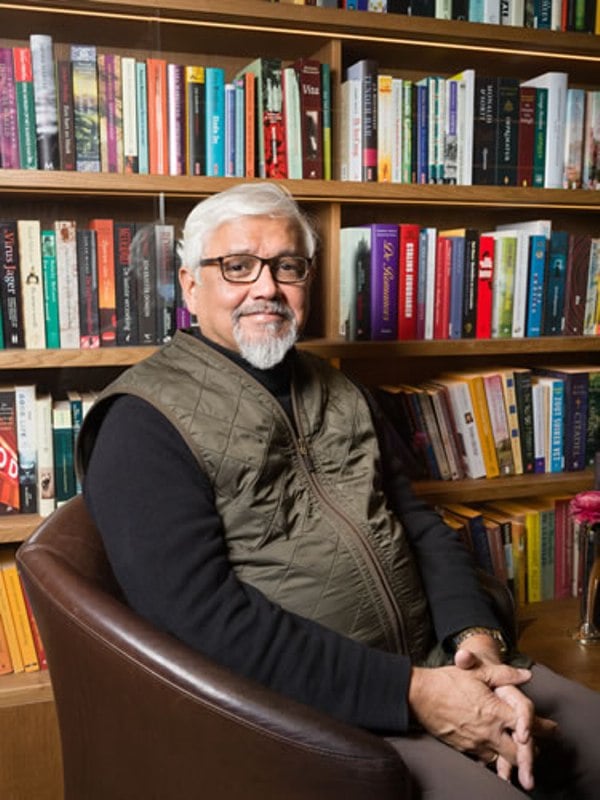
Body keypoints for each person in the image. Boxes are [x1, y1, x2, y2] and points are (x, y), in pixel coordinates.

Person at [78, 182, 600, 799]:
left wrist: (475, 644)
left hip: (439, 662)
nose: (267, 287)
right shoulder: (141, 422)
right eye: (238, 267)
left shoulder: (340, 390)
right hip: (304, 715)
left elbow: (418, 525)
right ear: (192, 286)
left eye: (287, 266)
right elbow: (202, 622)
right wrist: (411, 694)